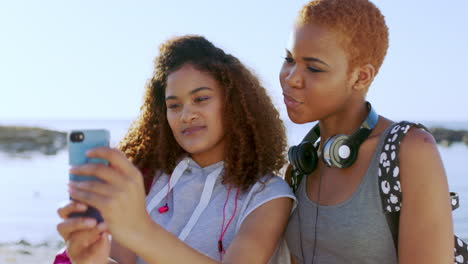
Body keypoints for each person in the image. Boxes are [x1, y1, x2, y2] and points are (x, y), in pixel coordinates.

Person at [55, 35, 295, 264]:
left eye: (201, 99)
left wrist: (140, 229)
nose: (186, 115)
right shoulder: (149, 179)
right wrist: (90, 260)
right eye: (174, 105)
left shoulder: (268, 195)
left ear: (233, 104)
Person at [281, 0, 454, 263]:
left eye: (314, 68)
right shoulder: (301, 165)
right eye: (289, 59)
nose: (291, 77)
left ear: (361, 77)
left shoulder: (409, 150)